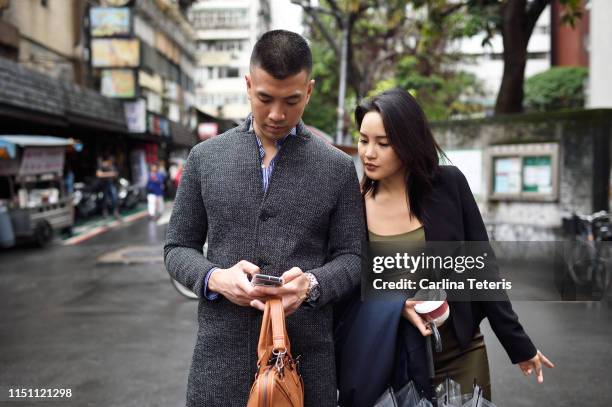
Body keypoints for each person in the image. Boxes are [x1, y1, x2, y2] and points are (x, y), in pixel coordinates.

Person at [164, 30, 364, 407]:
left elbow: (354, 257)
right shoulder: (206, 158)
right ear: (248, 84)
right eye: (264, 98)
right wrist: (215, 278)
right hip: (218, 364)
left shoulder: (337, 168)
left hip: (305, 366)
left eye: (291, 101)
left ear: (309, 90)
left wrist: (311, 285)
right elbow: (177, 247)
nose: (277, 114)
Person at [335, 88, 554, 406]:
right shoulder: (354, 204)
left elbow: (483, 270)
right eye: (363, 140)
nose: (368, 153)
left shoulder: (449, 186)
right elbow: (349, 286)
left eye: (383, 143)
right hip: (395, 355)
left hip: (460, 350)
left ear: (409, 143)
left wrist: (519, 344)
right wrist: (398, 306)